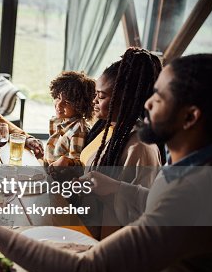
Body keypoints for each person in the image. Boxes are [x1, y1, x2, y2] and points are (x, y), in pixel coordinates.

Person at [0, 54, 212, 272]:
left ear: (190, 116)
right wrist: (119, 188)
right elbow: (159, 207)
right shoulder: (197, 169)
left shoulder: (195, 193)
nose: (146, 103)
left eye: (158, 97)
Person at [54, 48, 162, 186]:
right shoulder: (106, 128)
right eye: (95, 94)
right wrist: (73, 169)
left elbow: (143, 203)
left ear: (125, 99)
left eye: (101, 96)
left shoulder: (141, 148)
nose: (94, 101)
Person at [44, 71, 95, 167]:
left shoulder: (78, 131)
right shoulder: (60, 121)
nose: (59, 105)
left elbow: (75, 164)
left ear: (80, 105)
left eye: (67, 102)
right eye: (58, 98)